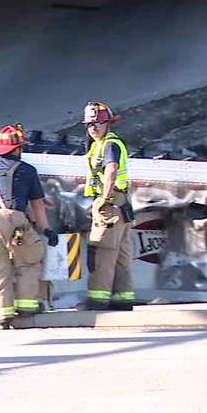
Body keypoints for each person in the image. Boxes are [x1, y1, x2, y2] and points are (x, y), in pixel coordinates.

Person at [0, 124, 59, 329]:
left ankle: (2, 313)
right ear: (18, 149)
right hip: (14, 218)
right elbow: (37, 204)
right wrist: (46, 229)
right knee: (28, 261)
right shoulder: (27, 171)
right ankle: (27, 306)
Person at [82, 101, 135, 310]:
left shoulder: (109, 145)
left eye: (97, 124)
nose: (92, 128)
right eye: (89, 125)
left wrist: (104, 199)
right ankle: (123, 299)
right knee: (121, 253)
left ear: (107, 124)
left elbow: (111, 170)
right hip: (120, 203)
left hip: (110, 204)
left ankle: (98, 299)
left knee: (102, 251)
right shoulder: (101, 145)